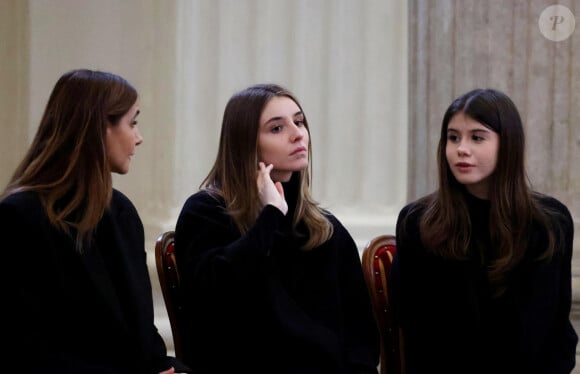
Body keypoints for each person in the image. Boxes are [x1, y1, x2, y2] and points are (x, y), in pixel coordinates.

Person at [174, 83, 380, 373]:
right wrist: (269, 217)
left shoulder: (323, 228)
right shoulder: (206, 213)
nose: (298, 134)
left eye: (299, 122)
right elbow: (215, 300)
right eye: (276, 128)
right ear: (246, 144)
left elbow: (361, 337)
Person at [0, 69, 190, 373]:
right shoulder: (20, 216)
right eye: (133, 123)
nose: (138, 138)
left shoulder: (121, 212)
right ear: (100, 128)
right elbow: (26, 346)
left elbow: (141, 331)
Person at [391, 88, 577, 373]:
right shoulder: (417, 222)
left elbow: (555, 330)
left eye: (477, 137)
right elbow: (415, 329)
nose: (461, 149)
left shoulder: (549, 223)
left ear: (509, 145)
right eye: (453, 138)